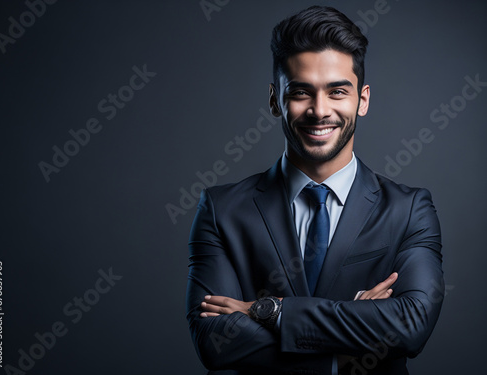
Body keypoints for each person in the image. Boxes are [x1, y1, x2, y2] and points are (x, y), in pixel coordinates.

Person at [185, 5, 444, 375]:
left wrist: (269, 311)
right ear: (276, 100)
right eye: (301, 93)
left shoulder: (410, 209)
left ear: (363, 99)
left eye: (338, 91)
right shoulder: (221, 209)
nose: (319, 110)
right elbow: (214, 340)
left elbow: (410, 325)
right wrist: (349, 347)